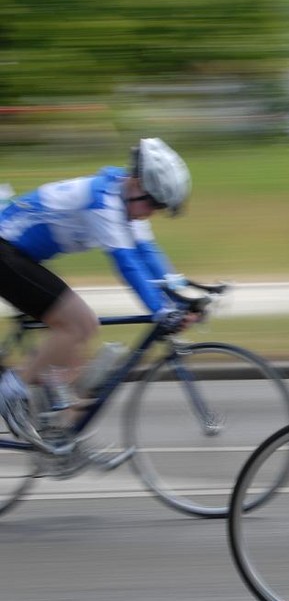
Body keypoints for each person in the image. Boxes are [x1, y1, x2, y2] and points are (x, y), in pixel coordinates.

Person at [0, 137, 196, 448]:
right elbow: (127, 263)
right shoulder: (102, 201)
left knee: (73, 356)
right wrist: (162, 309)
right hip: (4, 252)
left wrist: (184, 295)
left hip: (19, 257)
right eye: (154, 204)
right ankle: (12, 389)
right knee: (80, 323)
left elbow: (149, 255)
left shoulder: (126, 199)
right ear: (139, 185)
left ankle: (61, 445)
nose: (152, 213)